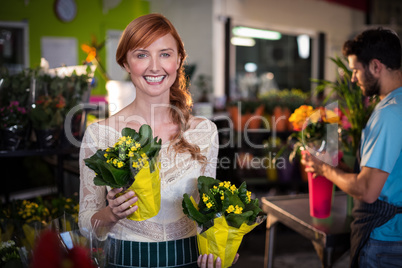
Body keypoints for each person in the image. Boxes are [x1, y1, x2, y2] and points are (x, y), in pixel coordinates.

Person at [78, 13, 227, 267]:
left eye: (165, 54)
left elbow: (207, 214)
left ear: (179, 59)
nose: (155, 66)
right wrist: (111, 213)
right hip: (126, 261)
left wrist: (221, 247)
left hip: (190, 260)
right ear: (125, 63)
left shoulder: (204, 132)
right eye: (141, 54)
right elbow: (86, 225)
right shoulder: (100, 135)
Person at [301, 27, 402, 268]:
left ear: (376, 66)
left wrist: (323, 169)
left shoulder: (389, 113)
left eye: (356, 70)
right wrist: (340, 167)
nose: (353, 78)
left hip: (385, 240)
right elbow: (390, 176)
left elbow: (368, 190)